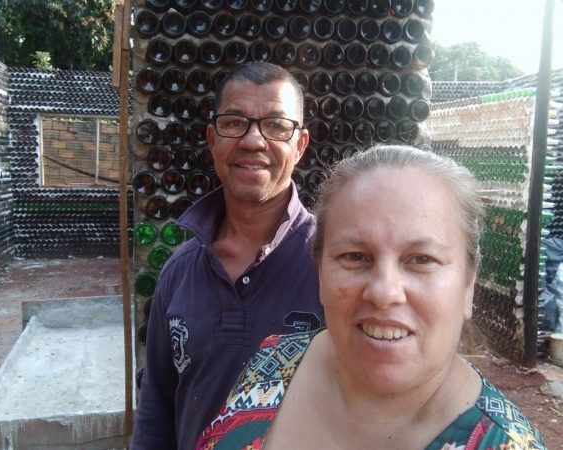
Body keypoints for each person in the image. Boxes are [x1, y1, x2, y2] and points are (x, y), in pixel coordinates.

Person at [197, 145, 545, 450]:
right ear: (320, 273)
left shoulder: (506, 443)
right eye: (355, 256)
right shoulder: (272, 361)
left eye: (421, 259)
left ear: (468, 284)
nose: (384, 293)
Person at [131, 62, 324, 450]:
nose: (253, 141)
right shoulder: (178, 273)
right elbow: (156, 410)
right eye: (234, 123)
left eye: (276, 126)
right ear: (212, 139)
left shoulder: (334, 265)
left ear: (300, 145)